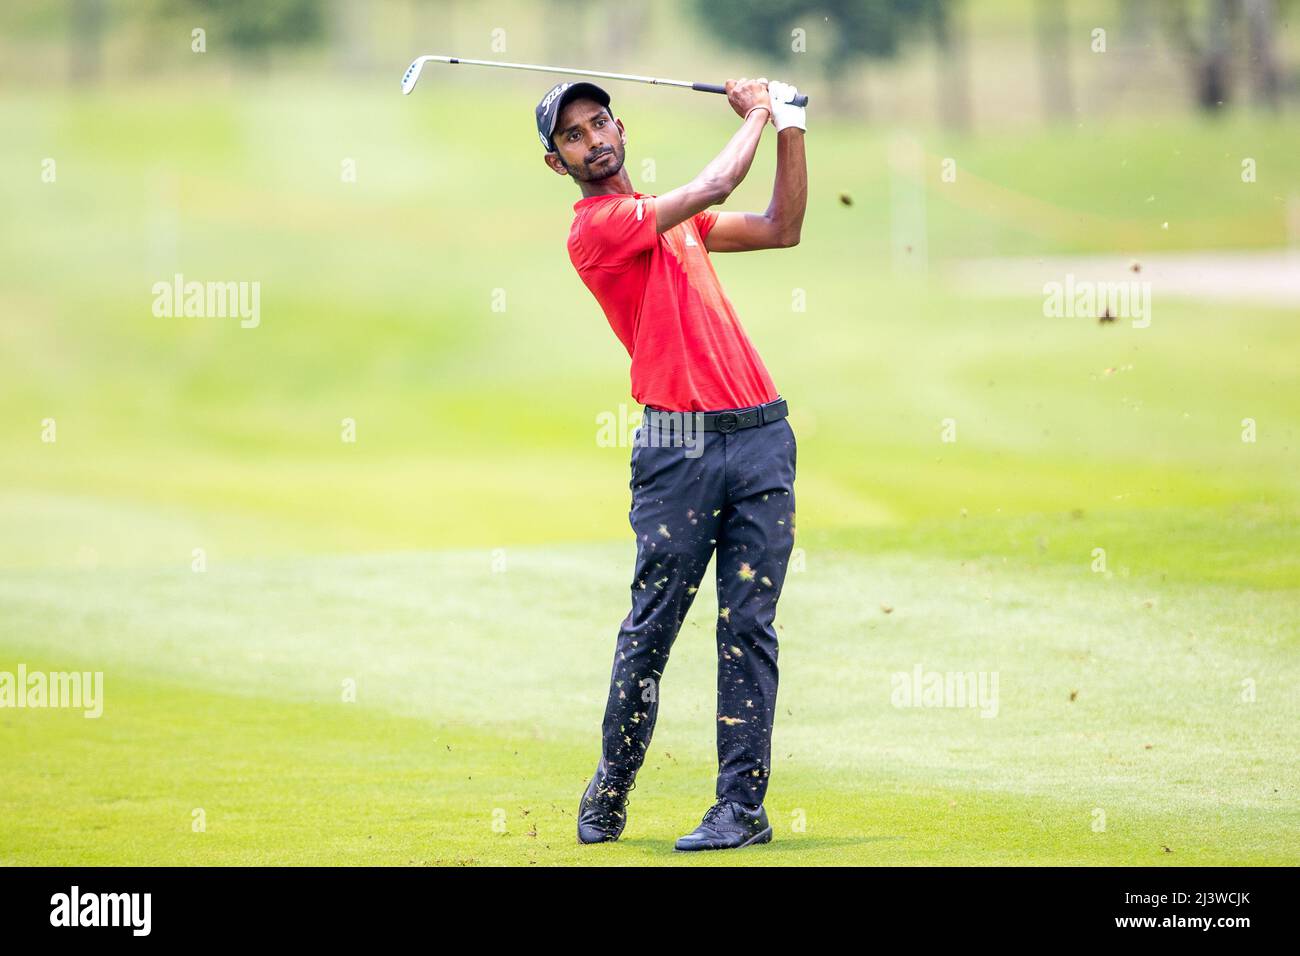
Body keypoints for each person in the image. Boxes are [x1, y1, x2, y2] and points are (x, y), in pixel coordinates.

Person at [535, 74, 807, 851]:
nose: (592, 141)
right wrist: (758, 108)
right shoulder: (602, 227)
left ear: (619, 126)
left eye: (597, 124)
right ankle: (611, 786)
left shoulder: (674, 221)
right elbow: (720, 178)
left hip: (761, 437)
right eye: (573, 137)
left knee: (749, 628)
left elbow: (783, 225)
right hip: (678, 450)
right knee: (653, 630)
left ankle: (740, 809)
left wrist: (791, 126)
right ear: (559, 164)